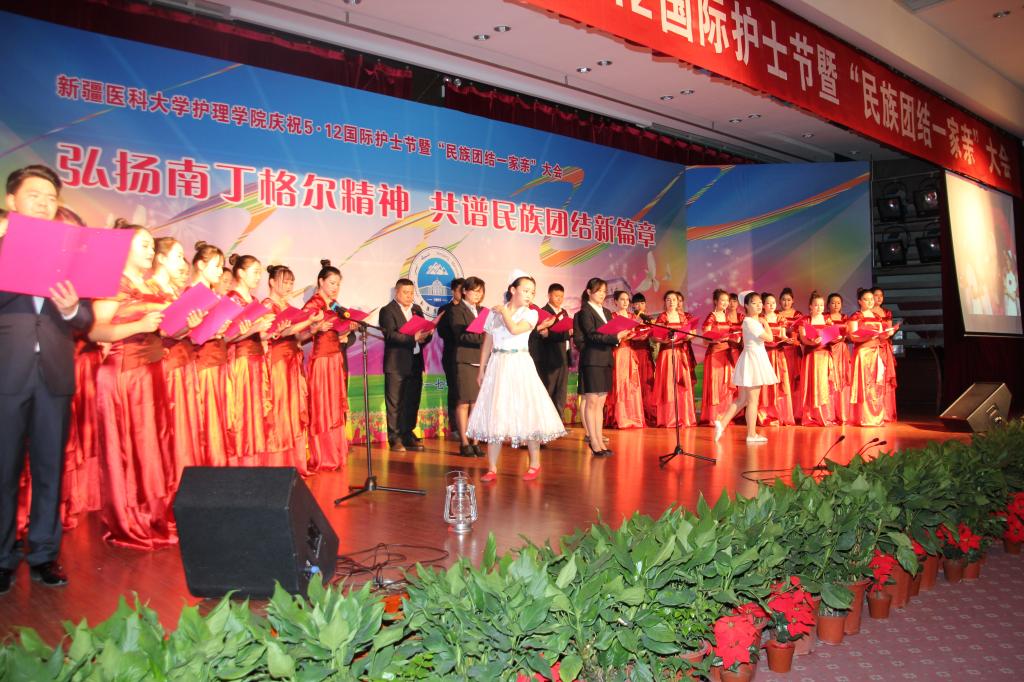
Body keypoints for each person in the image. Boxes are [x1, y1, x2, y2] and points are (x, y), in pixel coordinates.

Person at [1, 165, 92, 592]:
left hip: (54, 375)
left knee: (49, 469)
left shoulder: (70, 258)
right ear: (11, 201)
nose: (43, 203)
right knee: (3, 470)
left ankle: (43, 554)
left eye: (50, 198)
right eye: (34, 195)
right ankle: (2, 558)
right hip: (7, 374)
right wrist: (19, 269)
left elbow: (86, 319)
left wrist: (72, 307)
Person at [89, 223, 176, 550]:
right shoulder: (114, 282)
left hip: (151, 371)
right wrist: (141, 324)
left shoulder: (151, 284)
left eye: (152, 245)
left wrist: (184, 324)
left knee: (154, 446)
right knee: (127, 448)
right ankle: (128, 521)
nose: (150, 251)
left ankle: (155, 515)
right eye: (143, 245)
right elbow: (95, 331)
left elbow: (163, 331)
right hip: (123, 374)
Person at [467, 274, 567, 481]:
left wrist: (504, 312)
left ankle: (534, 464)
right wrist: (481, 369)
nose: (529, 295)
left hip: (520, 364)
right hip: (498, 364)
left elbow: (514, 329)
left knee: (527, 412)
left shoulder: (531, 314)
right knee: (496, 413)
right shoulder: (493, 313)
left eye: (532, 292)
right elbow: (488, 342)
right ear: (513, 290)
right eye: (526, 290)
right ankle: (492, 467)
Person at [150, 237, 204, 488]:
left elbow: (176, 331)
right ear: (161, 259)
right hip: (167, 365)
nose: (183, 263)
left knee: (185, 425)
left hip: (184, 361)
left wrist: (192, 326)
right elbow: (161, 332)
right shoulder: (149, 289)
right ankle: (173, 480)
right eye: (178, 256)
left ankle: (188, 478)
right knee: (170, 426)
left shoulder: (175, 292)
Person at [264, 264, 322, 475]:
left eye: (291, 282)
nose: (289, 286)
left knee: (293, 411)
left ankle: (294, 462)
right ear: (272, 282)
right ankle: (278, 464)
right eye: (285, 282)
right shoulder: (267, 305)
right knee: (280, 411)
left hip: (292, 362)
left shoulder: (288, 306)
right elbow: (281, 332)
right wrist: (308, 321)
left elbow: (297, 337)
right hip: (278, 363)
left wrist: (311, 330)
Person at [224, 254, 273, 466]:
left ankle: (256, 460)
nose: (258, 277)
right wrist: (254, 328)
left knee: (257, 409)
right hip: (241, 361)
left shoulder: (254, 301)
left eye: (260, 273)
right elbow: (227, 336)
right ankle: (242, 461)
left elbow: (259, 334)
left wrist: (272, 328)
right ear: (241, 273)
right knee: (242, 410)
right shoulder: (231, 299)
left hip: (256, 359)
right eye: (255, 272)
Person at [575, 278, 633, 457]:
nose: (602, 294)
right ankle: (593, 441)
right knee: (592, 402)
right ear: (589, 292)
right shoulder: (585, 312)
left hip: (606, 359)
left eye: (604, 291)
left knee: (600, 403)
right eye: (598, 291)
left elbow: (610, 334)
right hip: (592, 360)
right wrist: (615, 337)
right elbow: (591, 335)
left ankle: (599, 440)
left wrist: (620, 336)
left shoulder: (607, 312)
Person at [301, 260, 350, 470]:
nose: (335, 287)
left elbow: (336, 331)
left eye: (338, 283)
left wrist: (347, 330)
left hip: (335, 358)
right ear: (321, 282)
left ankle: (336, 453)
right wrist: (316, 327)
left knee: (335, 406)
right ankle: (324, 455)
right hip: (321, 360)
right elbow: (300, 332)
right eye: (332, 283)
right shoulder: (313, 304)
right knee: (323, 407)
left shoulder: (336, 306)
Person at [714, 293, 778, 444]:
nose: (759, 305)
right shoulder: (750, 322)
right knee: (752, 401)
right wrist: (766, 323)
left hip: (752, 359)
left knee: (743, 399)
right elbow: (770, 338)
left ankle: (722, 424)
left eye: (760, 302)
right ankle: (751, 434)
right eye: (754, 303)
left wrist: (762, 322)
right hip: (753, 360)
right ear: (747, 306)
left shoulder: (751, 321)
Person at [190, 242, 232, 467]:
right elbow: (187, 336)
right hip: (202, 363)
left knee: (218, 419)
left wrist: (219, 330)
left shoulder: (213, 296)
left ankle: (218, 466)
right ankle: (209, 467)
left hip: (217, 360)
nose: (219, 271)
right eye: (216, 266)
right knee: (206, 419)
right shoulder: (192, 294)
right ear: (200, 265)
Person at [379, 278, 433, 451]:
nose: (409, 296)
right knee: (395, 403)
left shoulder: (417, 309)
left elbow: (423, 334)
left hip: (415, 362)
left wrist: (427, 335)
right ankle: (394, 438)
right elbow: (390, 335)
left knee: (412, 401)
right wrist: (413, 338)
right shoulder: (387, 311)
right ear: (397, 292)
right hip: (396, 364)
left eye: (411, 293)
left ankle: (407, 434)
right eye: (405, 292)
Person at [448, 277, 486, 457]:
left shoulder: (484, 311)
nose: (478, 294)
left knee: (478, 404)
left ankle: (476, 441)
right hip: (464, 360)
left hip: (482, 361)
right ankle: (464, 442)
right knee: (464, 402)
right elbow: (461, 336)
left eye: (481, 291)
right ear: (464, 291)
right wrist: (484, 337)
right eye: (474, 291)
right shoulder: (456, 311)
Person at [848, 288, 895, 427]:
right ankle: (864, 417)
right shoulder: (856, 316)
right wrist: (868, 336)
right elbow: (853, 336)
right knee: (865, 385)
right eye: (866, 299)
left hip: (876, 352)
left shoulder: (877, 316)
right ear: (859, 301)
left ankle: (876, 417)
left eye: (871, 299)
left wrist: (887, 333)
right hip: (863, 353)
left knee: (876, 385)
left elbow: (881, 335)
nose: (869, 302)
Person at [654, 290, 697, 427]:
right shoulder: (662, 317)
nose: (671, 302)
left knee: (682, 384)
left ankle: (684, 417)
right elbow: (656, 336)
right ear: (665, 302)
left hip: (681, 352)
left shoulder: (683, 317)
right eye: (668, 299)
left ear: (678, 302)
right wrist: (665, 339)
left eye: (674, 299)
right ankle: (669, 418)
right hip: (667, 353)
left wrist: (688, 336)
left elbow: (691, 333)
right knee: (668, 384)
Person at [529, 283, 572, 420]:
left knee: (561, 392)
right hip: (549, 358)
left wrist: (569, 332)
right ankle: (545, 422)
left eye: (561, 296)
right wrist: (565, 334)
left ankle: (559, 422)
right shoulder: (542, 312)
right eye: (556, 296)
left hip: (563, 357)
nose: (559, 299)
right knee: (548, 390)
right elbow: (543, 334)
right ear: (549, 295)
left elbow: (562, 332)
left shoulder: (564, 312)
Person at [604, 290, 645, 429]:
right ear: (615, 301)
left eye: (627, 299)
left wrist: (639, 335)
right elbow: (609, 334)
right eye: (622, 299)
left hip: (630, 351)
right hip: (618, 352)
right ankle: (620, 418)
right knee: (620, 383)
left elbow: (637, 332)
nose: (625, 302)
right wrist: (621, 336)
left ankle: (633, 417)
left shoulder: (633, 316)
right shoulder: (612, 316)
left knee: (631, 384)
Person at [798, 292, 839, 426]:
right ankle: (811, 416)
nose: (819, 307)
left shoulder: (828, 320)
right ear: (810, 306)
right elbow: (803, 339)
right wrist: (812, 342)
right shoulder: (805, 321)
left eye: (821, 305)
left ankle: (825, 415)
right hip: (811, 356)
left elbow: (833, 337)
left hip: (824, 356)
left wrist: (836, 337)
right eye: (816, 305)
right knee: (811, 385)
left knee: (823, 385)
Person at [757, 293, 795, 426]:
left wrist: (787, 340)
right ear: (763, 305)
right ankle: (765, 415)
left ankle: (780, 414)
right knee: (765, 384)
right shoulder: (760, 319)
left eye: (773, 303)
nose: (771, 305)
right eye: (768, 303)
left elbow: (783, 335)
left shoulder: (780, 318)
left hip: (778, 354)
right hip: (764, 354)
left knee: (779, 383)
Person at [700, 289, 737, 425]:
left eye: (727, 300)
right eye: (722, 300)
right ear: (716, 301)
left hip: (726, 354)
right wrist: (715, 339)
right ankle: (713, 417)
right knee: (715, 385)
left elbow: (732, 333)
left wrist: (735, 337)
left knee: (725, 386)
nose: (725, 303)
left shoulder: (727, 318)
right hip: (715, 354)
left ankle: (724, 417)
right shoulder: (712, 316)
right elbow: (705, 338)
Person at [436, 277, 464, 441]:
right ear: (453, 291)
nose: (463, 293)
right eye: (460, 290)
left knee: (469, 393)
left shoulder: (472, 310)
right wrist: (461, 333)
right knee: (455, 391)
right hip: (452, 354)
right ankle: (455, 427)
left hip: (470, 356)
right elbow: (442, 332)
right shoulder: (445, 309)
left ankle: (470, 427)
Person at [630, 293, 657, 425]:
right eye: (637, 303)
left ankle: (649, 414)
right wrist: (635, 336)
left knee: (647, 385)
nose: (640, 306)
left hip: (646, 354)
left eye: (642, 303)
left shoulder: (650, 320)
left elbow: (656, 337)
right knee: (634, 384)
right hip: (633, 353)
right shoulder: (630, 319)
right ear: (632, 305)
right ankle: (634, 414)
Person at [872, 286, 898, 422]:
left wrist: (890, 331)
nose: (879, 298)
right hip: (873, 346)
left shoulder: (887, 312)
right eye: (876, 295)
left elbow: (889, 328)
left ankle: (886, 412)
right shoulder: (867, 313)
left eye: (881, 295)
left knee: (886, 379)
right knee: (874, 378)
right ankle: (874, 412)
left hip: (885, 346)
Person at [778, 287, 804, 420]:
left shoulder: (798, 315)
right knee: (782, 382)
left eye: (788, 300)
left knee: (795, 382)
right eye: (783, 299)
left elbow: (803, 333)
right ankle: (783, 412)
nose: (786, 302)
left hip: (794, 351)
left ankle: (796, 412)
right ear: (779, 301)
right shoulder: (776, 314)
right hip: (781, 351)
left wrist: (797, 338)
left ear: (793, 301)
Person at [826, 293, 852, 425]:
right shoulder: (825, 318)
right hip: (829, 350)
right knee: (830, 381)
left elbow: (850, 335)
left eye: (838, 303)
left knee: (842, 380)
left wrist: (845, 337)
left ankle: (842, 414)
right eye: (833, 302)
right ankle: (829, 414)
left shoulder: (845, 318)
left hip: (842, 350)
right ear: (828, 305)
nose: (836, 305)